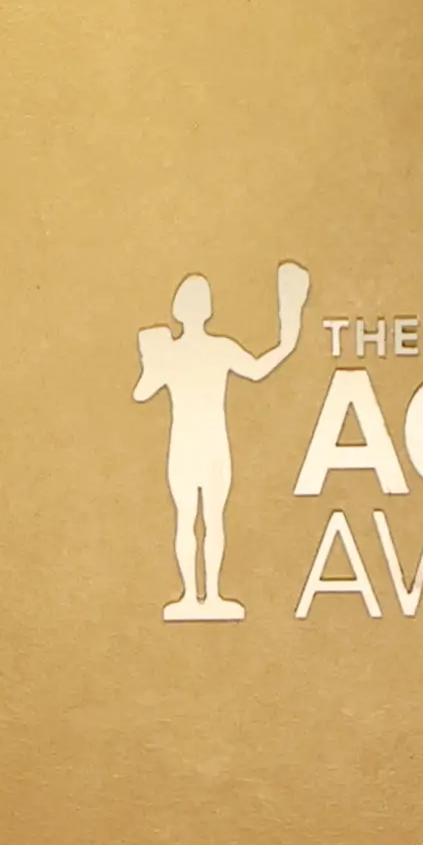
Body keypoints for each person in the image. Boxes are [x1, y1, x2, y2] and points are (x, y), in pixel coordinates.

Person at [134, 262, 308, 621]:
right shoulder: (209, 349)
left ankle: (202, 596)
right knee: (206, 519)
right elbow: (260, 369)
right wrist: (289, 335)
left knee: (195, 519)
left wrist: (151, 358)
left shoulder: (185, 351)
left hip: (193, 447)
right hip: (206, 446)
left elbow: (142, 391)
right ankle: (201, 595)